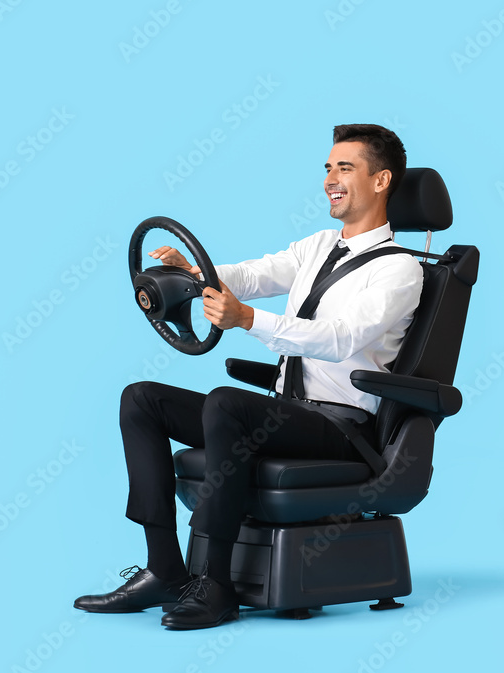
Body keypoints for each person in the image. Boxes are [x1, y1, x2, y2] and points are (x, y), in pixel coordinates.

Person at [74, 124, 423, 630]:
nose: (330, 178)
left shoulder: (400, 270)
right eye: (327, 167)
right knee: (141, 398)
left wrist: (247, 321)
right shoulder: (320, 246)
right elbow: (255, 275)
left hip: (343, 430)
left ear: (381, 180)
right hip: (292, 416)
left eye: (344, 167)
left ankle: (215, 584)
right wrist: (197, 274)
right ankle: (163, 569)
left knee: (226, 402)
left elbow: (341, 337)